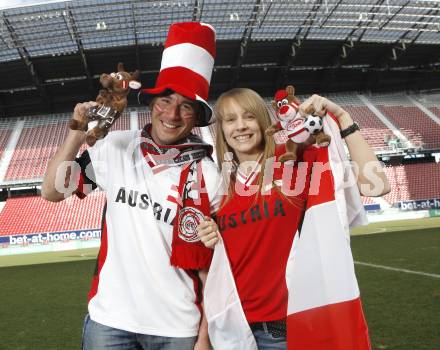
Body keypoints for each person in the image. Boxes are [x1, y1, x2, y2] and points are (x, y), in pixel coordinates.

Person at [42, 22, 221, 350]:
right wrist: (77, 133)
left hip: (179, 328)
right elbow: (52, 192)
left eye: (186, 105)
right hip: (109, 321)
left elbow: (217, 266)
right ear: (153, 104)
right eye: (166, 100)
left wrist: (205, 337)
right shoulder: (116, 148)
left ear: (197, 116)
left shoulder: (211, 175)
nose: (173, 113)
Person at [197, 88, 391, 349]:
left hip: (286, 330)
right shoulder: (218, 186)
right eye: (230, 120)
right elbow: (214, 270)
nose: (240, 126)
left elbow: (376, 186)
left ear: (264, 122)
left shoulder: (292, 163)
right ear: (221, 130)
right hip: (233, 331)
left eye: (249, 116)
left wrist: (342, 116)